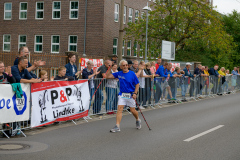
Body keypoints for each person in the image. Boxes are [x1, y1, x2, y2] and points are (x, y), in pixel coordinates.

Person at [106, 60, 141, 133]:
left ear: (128, 66)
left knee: (132, 110)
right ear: (121, 67)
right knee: (119, 109)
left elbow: (137, 84)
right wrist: (110, 67)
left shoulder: (132, 73)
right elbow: (108, 76)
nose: (125, 66)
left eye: (126, 65)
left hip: (130, 94)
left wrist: (135, 93)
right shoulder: (119, 73)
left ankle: (137, 119)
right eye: (123, 65)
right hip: (122, 94)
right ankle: (117, 126)